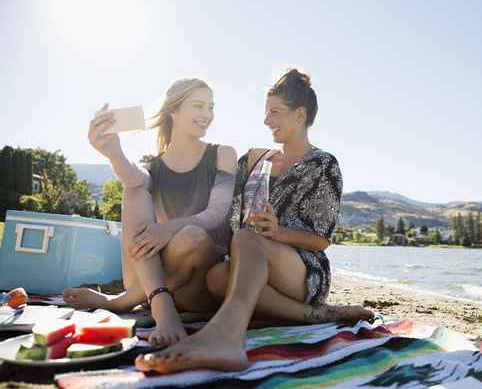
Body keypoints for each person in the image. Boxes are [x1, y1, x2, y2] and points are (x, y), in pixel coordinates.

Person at [135, 69, 373, 374]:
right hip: (248, 261)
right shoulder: (252, 161)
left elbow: (321, 240)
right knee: (217, 278)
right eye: (265, 112)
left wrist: (278, 232)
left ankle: (226, 338)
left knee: (247, 240)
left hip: (301, 269)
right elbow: (221, 209)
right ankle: (315, 315)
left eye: (275, 112)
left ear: (300, 115)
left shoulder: (323, 165)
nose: (266, 120)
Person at [63, 78, 237, 347]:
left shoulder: (222, 154)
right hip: (150, 278)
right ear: (173, 111)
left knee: (192, 236)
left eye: (210, 107)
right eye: (198, 106)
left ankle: (122, 301)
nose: (207, 115)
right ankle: (161, 308)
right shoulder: (152, 164)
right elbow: (133, 178)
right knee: (134, 188)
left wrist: (168, 228)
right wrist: (114, 154)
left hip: (199, 284)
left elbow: (217, 212)